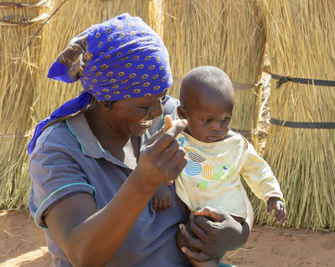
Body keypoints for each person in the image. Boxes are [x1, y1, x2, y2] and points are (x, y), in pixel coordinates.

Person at [28, 14, 251, 267]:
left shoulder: (169, 117)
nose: (158, 110)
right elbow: (83, 255)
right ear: (105, 99)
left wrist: (236, 231)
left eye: (163, 96)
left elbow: (230, 181)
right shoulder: (58, 151)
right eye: (144, 105)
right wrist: (144, 181)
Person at [153, 66, 287, 266]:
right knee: (185, 239)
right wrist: (162, 184)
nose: (218, 127)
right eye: (207, 120)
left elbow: (257, 169)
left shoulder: (235, 145)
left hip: (231, 213)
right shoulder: (178, 138)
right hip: (197, 214)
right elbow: (159, 158)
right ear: (183, 113)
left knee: (198, 235)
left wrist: (273, 195)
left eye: (225, 119)